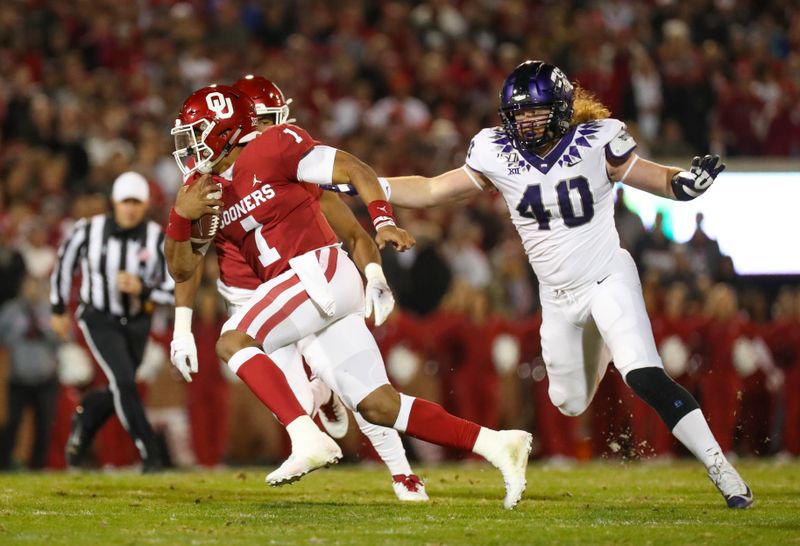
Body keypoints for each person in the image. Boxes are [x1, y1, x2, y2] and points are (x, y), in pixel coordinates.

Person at [361, 60, 751, 508]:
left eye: (536, 111)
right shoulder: (495, 151)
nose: (525, 120)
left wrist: (685, 185)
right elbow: (430, 191)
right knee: (568, 401)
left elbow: (655, 177)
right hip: (558, 298)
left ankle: (723, 471)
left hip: (607, 276)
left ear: (563, 109)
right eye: (518, 112)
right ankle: (603, 343)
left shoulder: (598, 139)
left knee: (643, 373)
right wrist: (367, 185)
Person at [165, 85, 531, 509]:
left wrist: (383, 223)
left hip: (318, 270)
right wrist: (180, 217)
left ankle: (309, 436)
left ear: (224, 129)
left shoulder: (275, 145)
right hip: (300, 291)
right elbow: (181, 268)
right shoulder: (201, 187)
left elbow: (356, 170)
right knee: (378, 405)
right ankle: (498, 444)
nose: (189, 145)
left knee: (233, 340)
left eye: (196, 132)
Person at [171, 75, 428, 500]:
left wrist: (375, 274)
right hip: (251, 298)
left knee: (357, 381)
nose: (267, 132)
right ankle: (318, 395)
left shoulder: (289, 168)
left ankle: (402, 473)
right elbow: (188, 261)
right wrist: (182, 327)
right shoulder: (208, 184)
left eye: (273, 122)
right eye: (263, 122)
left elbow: (353, 232)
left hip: (305, 282)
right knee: (293, 407)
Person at [51, 171, 174, 471]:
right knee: (122, 380)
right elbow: (64, 264)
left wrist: (142, 288)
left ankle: (86, 416)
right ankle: (151, 453)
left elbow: (174, 290)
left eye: (136, 202)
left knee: (124, 385)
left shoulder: (157, 237)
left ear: (145, 204)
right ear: (114, 203)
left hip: (137, 320)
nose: (130, 208)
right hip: (98, 317)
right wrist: (57, 308)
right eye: (125, 201)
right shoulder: (88, 230)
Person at [0, 275, 60, 470]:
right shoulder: (11, 310)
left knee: (44, 426)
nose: (32, 290)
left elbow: (65, 338)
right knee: (12, 424)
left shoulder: (50, 311)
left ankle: (38, 468)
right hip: (19, 378)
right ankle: (3, 465)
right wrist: (18, 332)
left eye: (35, 286)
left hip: (46, 378)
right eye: (28, 286)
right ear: (22, 288)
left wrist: (46, 331)